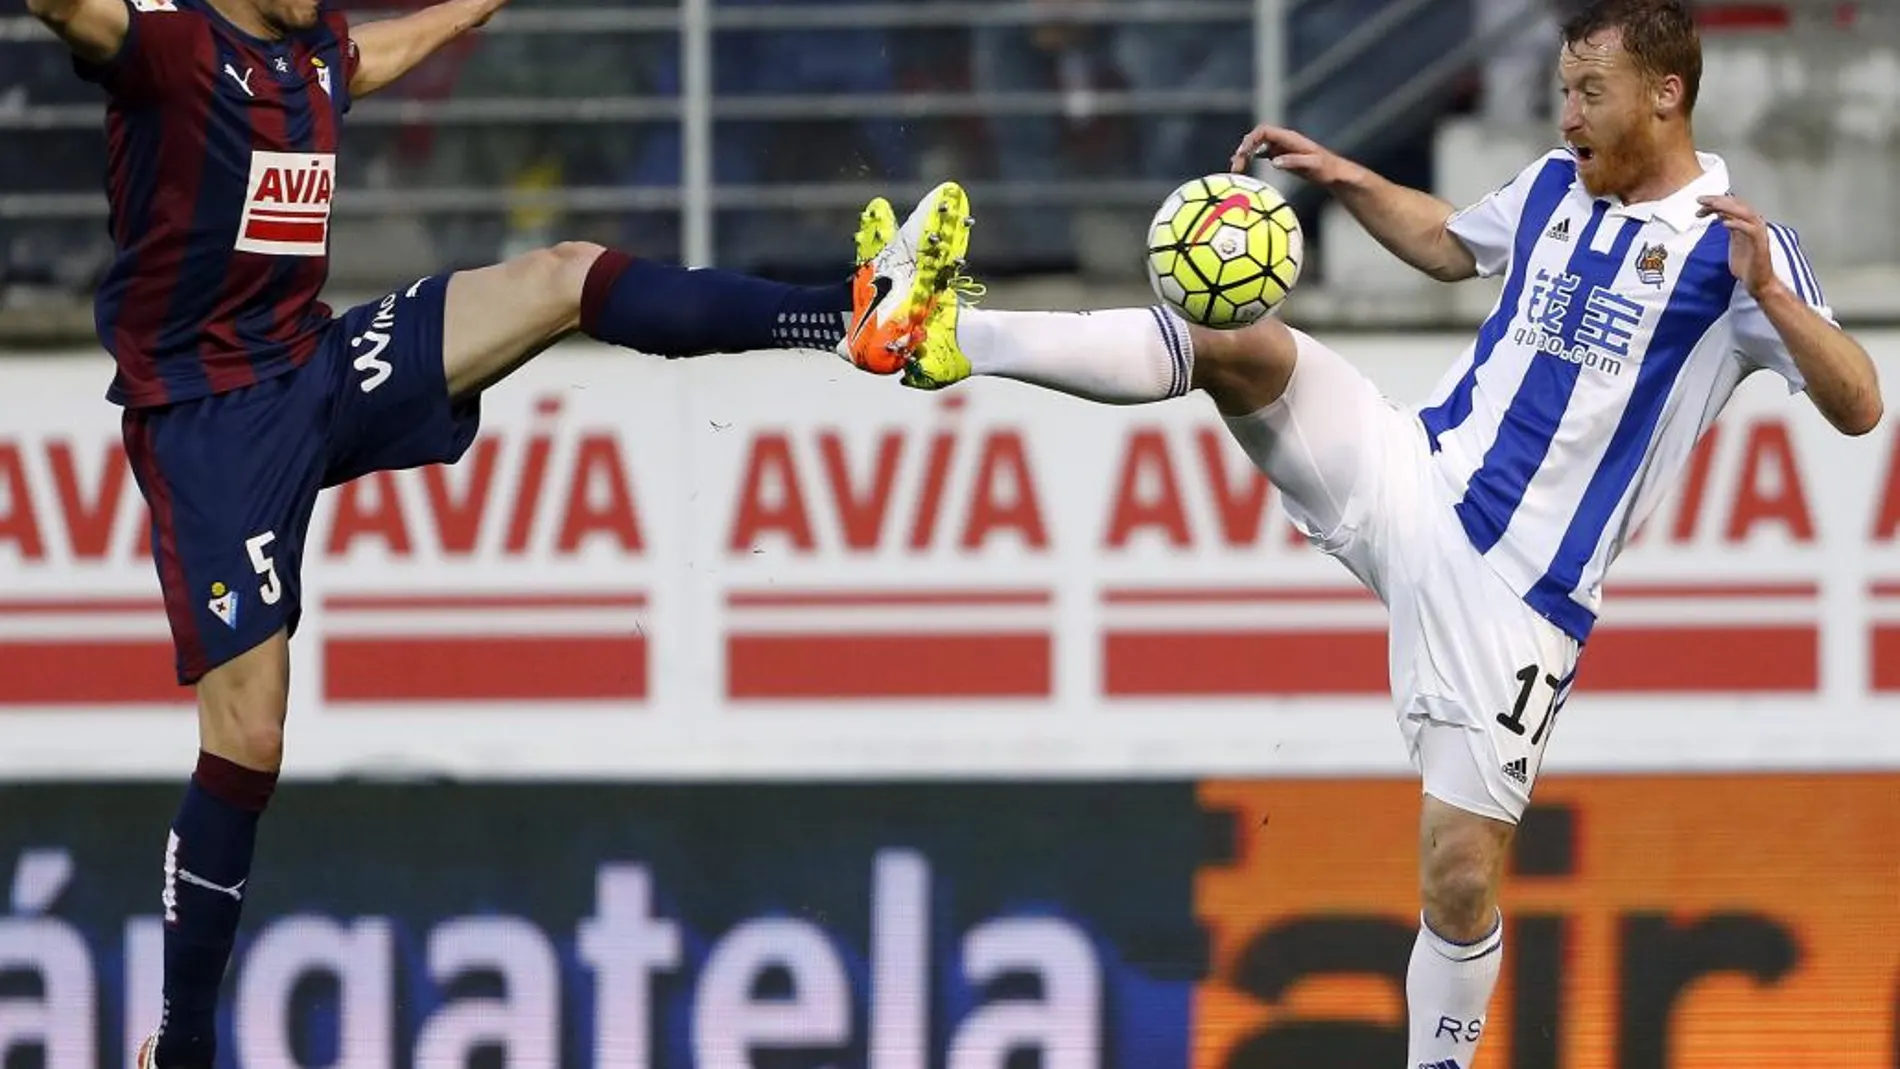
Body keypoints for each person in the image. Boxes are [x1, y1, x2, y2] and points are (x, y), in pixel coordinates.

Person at [841, 2, 1882, 1067]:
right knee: (1241, 346)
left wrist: (1776, 304)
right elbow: (1443, 245)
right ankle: (934, 330)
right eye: (1563, 90)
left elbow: (1859, 404)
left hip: (1516, 599)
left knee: (1459, 873)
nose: (1565, 113)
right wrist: (1341, 176)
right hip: (1411, 473)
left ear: (1665, 94)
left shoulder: (1736, 252)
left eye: (1588, 94)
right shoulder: (1549, 190)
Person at [20, 0, 968, 1059]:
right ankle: (181, 1042)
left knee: (559, 278)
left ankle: (849, 319)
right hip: (211, 423)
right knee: (249, 736)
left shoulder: (314, 50)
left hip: (318, 369)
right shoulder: (169, 46)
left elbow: (373, 54)